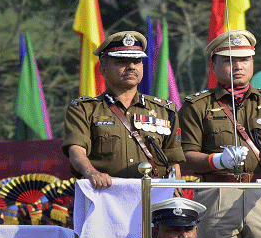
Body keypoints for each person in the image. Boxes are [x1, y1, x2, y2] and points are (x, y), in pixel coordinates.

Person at [178, 30, 261, 238]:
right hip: (217, 192)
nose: (237, 66)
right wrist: (217, 161)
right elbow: (184, 156)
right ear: (213, 65)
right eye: (228, 60)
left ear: (253, 62)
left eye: (244, 59)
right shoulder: (198, 105)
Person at [63, 30, 184, 187]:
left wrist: (177, 190)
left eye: (137, 61)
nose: (131, 67)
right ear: (103, 70)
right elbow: (76, 150)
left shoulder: (166, 110)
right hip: (106, 193)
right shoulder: (84, 109)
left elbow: (173, 161)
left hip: (154, 195)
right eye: (121, 61)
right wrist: (91, 173)